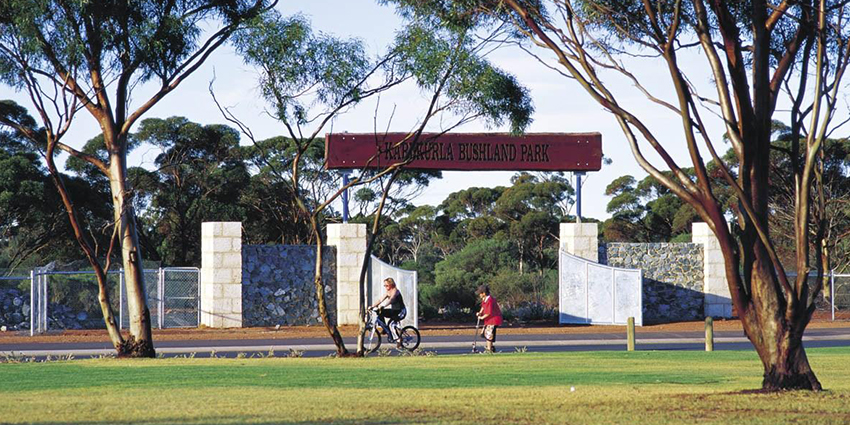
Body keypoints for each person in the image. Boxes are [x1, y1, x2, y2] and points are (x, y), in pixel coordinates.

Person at [369, 277, 406, 345]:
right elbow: (380, 300)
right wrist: (372, 306)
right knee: (380, 313)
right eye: (384, 285)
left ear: (391, 284)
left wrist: (384, 306)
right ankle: (385, 328)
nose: (385, 287)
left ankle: (399, 339)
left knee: (391, 324)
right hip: (394, 311)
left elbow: (391, 299)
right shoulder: (388, 292)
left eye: (387, 285)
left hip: (400, 311)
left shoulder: (395, 291)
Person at [476, 285, 503, 353]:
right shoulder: (485, 299)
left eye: (480, 293)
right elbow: (483, 306)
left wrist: (481, 317)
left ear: (484, 293)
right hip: (489, 320)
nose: (479, 295)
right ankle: (491, 347)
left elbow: (488, 313)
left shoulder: (490, 300)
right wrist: (480, 312)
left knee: (489, 334)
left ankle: (489, 349)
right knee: (485, 333)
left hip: (493, 320)